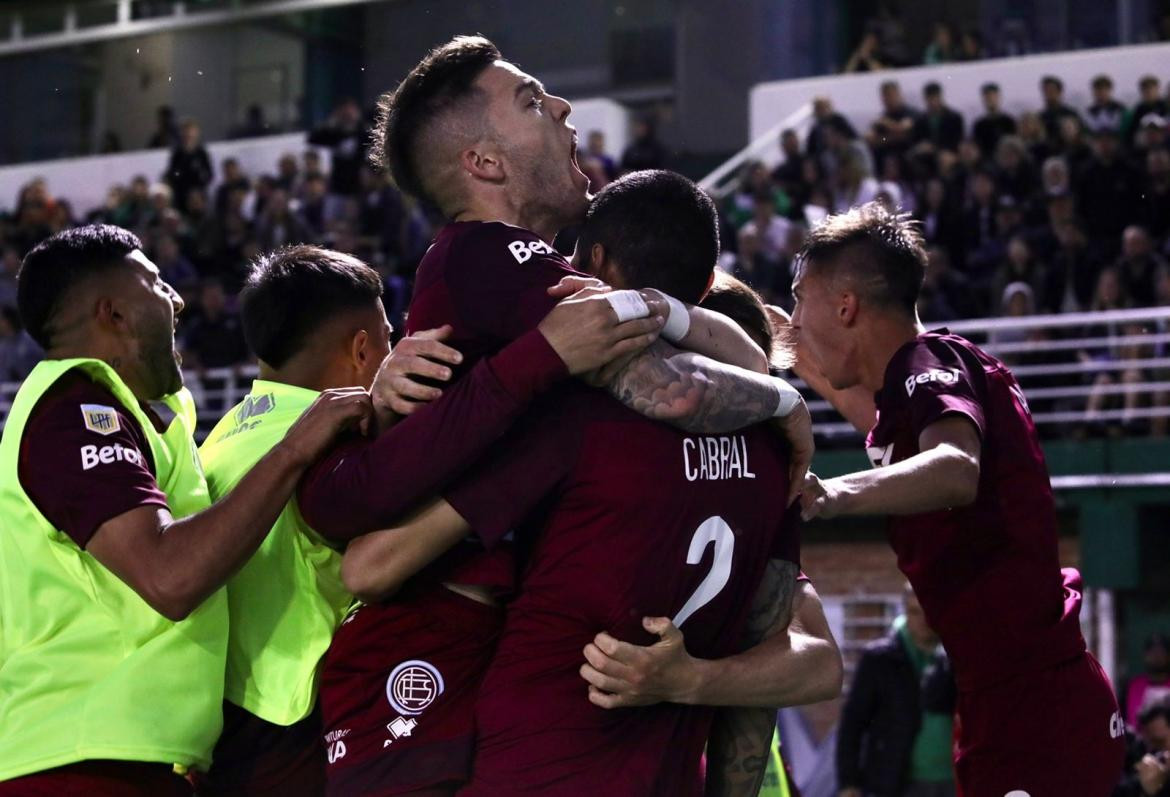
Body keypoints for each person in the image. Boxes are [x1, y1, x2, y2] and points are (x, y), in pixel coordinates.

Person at [301, 36, 813, 795]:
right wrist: (783, 403)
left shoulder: (525, 282)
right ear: (484, 164)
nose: (566, 109)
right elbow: (673, 387)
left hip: (490, 667)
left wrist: (672, 320)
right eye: (532, 101)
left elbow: (729, 349)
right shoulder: (484, 255)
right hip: (420, 667)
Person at [192, 245, 648, 796]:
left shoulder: (221, 437)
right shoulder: (329, 437)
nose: (396, 349)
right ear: (363, 349)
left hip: (228, 714)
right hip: (296, 713)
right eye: (389, 336)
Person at [0, 225, 370, 795]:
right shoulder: (72, 409)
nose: (176, 298)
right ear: (115, 315)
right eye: (157, 283)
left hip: (133, 753)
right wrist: (295, 448)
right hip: (81, 757)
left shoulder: (139, 416)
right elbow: (170, 577)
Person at [789, 202, 1126, 794]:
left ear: (846, 306)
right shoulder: (904, 403)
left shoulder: (933, 362)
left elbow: (953, 469)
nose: (795, 317)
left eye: (800, 299)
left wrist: (830, 493)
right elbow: (869, 418)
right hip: (1004, 699)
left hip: (1037, 708)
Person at [837, 586, 957, 797]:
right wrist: (849, 781)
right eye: (915, 612)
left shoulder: (955, 655)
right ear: (904, 611)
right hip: (896, 781)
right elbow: (853, 722)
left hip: (953, 778)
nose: (923, 621)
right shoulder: (880, 659)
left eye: (929, 611)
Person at [166, 120, 214, 214]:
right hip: (182, 195)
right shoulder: (177, 154)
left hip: (199, 194)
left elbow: (208, 174)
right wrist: (179, 175)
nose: (188, 135)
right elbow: (173, 174)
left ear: (196, 133)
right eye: (186, 132)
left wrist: (198, 189)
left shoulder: (201, 153)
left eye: (191, 132)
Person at [1126, 635, 1170, 730]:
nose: (1157, 656)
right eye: (1153, 652)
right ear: (1145, 655)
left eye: (1161, 652)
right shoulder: (1133, 686)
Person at [913, 82, 964, 153]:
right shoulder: (920, 120)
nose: (933, 102)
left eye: (935, 98)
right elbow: (916, 140)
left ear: (940, 97)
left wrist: (935, 148)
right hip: (926, 156)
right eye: (930, 99)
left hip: (949, 154)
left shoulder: (954, 117)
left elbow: (958, 141)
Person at [972, 83, 1017, 160]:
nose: (990, 100)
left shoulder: (1009, 121)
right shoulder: (979, 124)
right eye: (987, 97)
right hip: (987, 160)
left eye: (992, 96)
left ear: (998, 97)